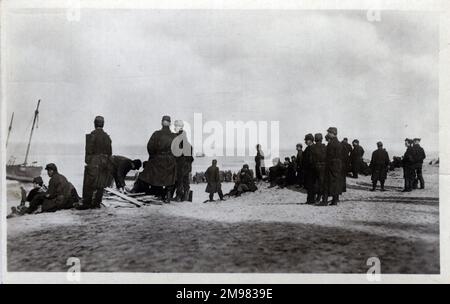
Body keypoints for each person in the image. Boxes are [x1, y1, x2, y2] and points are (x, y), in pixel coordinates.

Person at [139, 115, 177, 203]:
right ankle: (167, 195)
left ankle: (159, 194)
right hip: (169, 159)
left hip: (158, 159)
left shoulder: (156, 134)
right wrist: (172, 157)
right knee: (170, 177)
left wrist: (153, 157)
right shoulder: (174, 136)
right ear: (170, 123)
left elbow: (150, 147)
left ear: (161, 123)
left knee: (156, 176)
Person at [79, 116, 113, 210]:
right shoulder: (107, 137)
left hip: (94, 162)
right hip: (104, 162)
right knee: (100, 184)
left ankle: (87, 203)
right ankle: (97, 203)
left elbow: (88, 152)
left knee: (89, 184)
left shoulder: (91, 136)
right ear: (103, 124)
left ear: (94, 124)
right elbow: (110, 152)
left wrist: (89, 161)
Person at [172, 120, 194, 202]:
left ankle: (178, 197)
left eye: (175, 126)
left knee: (179, 181)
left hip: (180, 165)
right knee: (186, 182)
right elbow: (190, 156)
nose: (174, 128)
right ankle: (186, 197)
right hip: (187, 166)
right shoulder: (188, 143)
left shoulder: (177, 140)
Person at [324, 127, 343, 206]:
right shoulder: (338, 142)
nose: (328, 134)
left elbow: (329, 155)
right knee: (336, 182)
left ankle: (334, 201)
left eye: (329, 132)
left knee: (332, 182)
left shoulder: (332, 143)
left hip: (332, 165)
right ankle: (335, 199)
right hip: (337, 164)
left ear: (333, 133)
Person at [311, 133, 327, 204]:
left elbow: (311, 159)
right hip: (323, 167)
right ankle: (319, 197)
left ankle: (314, 197)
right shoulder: (324, 147)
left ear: (315, 139)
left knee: (314, 182)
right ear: (322, 139)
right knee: (321, 182)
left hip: (315, 167)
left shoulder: (312, 147)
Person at [302, 134, 316, 204]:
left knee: (311, 185)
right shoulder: (308, 148)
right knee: (309, 185)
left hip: (312, 170)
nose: (305, 142)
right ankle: (310, 199)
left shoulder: (313, 148)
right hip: (308, 170)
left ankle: (311, 200)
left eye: (306, 140)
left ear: (310, 140)